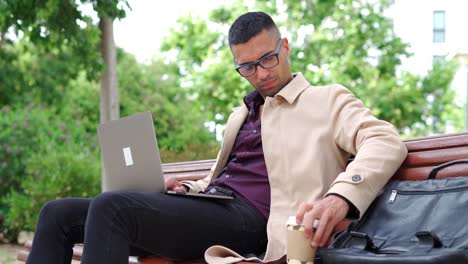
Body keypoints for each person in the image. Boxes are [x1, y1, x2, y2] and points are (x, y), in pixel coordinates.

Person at [26, 11, 407, 264]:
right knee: (57, 214)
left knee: (113, 207)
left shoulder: (327, 100)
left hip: (256, 224)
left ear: (285, 47)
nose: (259, 74)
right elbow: (222, 180)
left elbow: (385, 141)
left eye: (267, 59)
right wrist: (186, 189)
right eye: (246, 66)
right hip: (216, 209)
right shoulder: (241, 114)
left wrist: (340, 197)